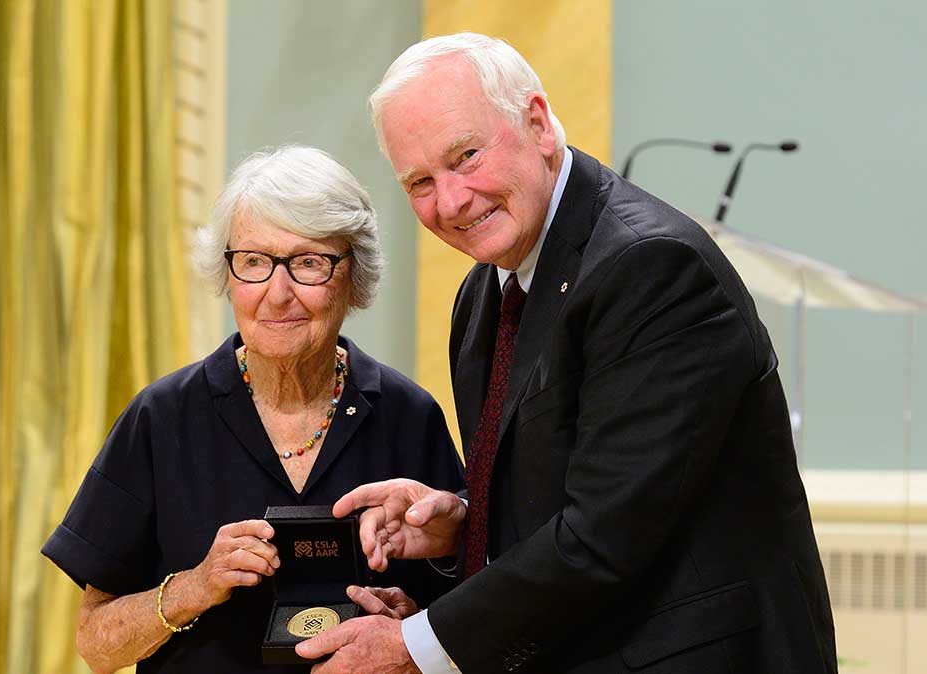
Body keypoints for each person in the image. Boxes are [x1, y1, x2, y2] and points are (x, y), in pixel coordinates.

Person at [297, 33, 837, 674]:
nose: (450, 202)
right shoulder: (484, 293)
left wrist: (416, 647)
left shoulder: (652, 267)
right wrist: (463, 525)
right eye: (420, 181)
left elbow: (604, 536)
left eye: (466, 156)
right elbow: (567, 494)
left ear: (537, 123)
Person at [41, 146, 463, 674]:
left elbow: (466, 617)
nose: (277, 293)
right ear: (229, 275)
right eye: (255, 263)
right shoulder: (161, 417)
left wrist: (410, 628)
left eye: (309, 263)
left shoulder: (409, 416)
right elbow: (97, 644)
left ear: (353, 278)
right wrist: (194, 587)